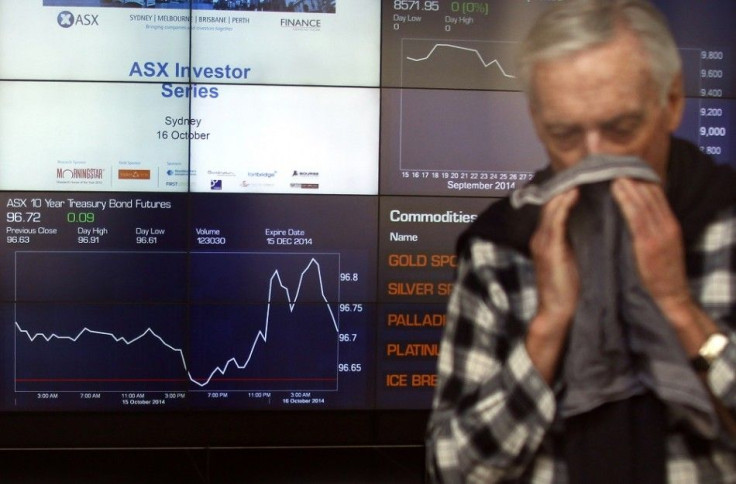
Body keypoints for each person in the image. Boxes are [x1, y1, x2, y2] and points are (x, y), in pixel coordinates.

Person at [425, 0, 736, 482]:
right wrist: (548, 329)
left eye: (621, 128)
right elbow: (452, 470)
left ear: (671, 101)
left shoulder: (728, 229)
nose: (595, 161)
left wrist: (679, 308)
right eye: (564, 134)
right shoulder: (499, 250)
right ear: (536, 120)